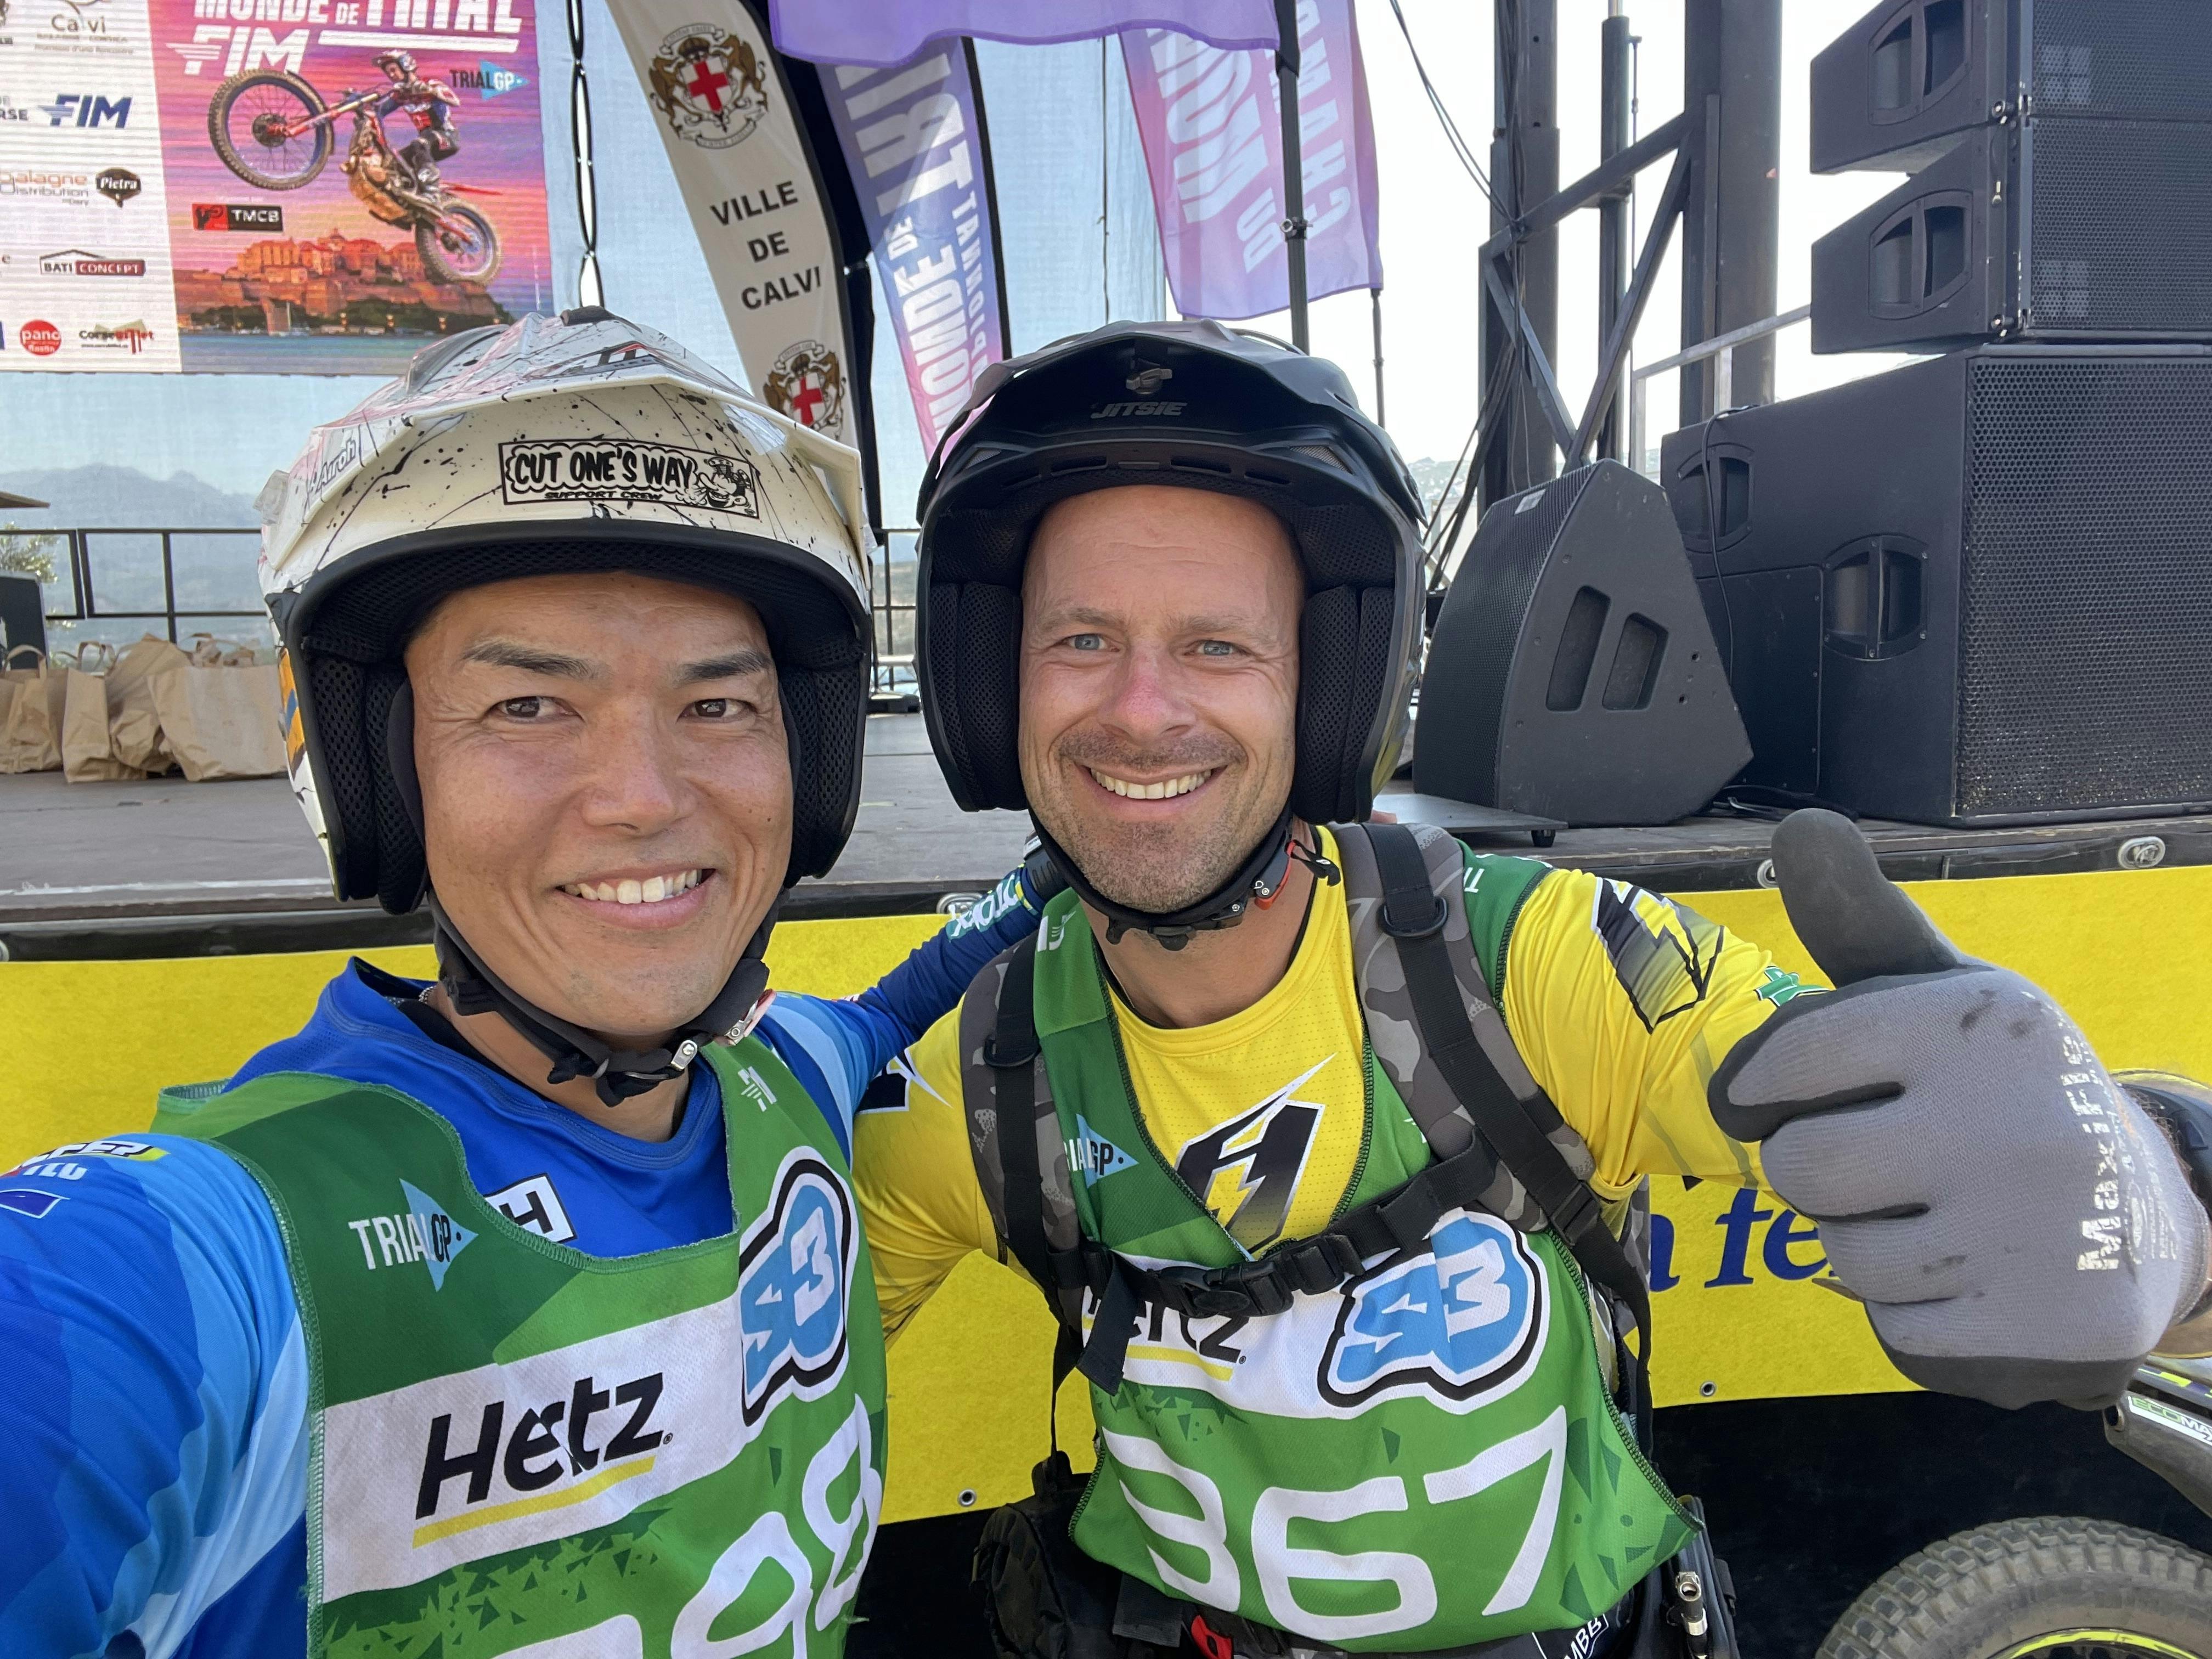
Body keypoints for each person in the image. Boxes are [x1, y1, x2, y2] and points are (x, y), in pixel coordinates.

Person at [856, 320, 2212, 1658]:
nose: (1144, 711)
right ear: (990, 685)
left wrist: (2159, 1188)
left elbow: (1878, 1095)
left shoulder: (1516, 965)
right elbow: (752, 1399)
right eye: (1083, 640)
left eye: (1218, 647)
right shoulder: (980, 1073)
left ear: (1329, 692)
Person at [0, 311, 1055, 1657]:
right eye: (527, 707)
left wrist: (1060, 870)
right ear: (380, 772)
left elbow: (897, 1004)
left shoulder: (787, 1072)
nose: (642, 797)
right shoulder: (225, 1251)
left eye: (717, 705)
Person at [374, 48, 460, 191]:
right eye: (388, 72)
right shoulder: (400, 95)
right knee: (395, 163)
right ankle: (410, 191)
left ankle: (431, 182)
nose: (391, 75)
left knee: (419, 144)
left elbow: (455, 101)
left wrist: (432, 91)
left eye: (394, 70)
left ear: (406, 66)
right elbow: (379, 111)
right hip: (425, 144)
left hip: (447, 137)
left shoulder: (430, 83)